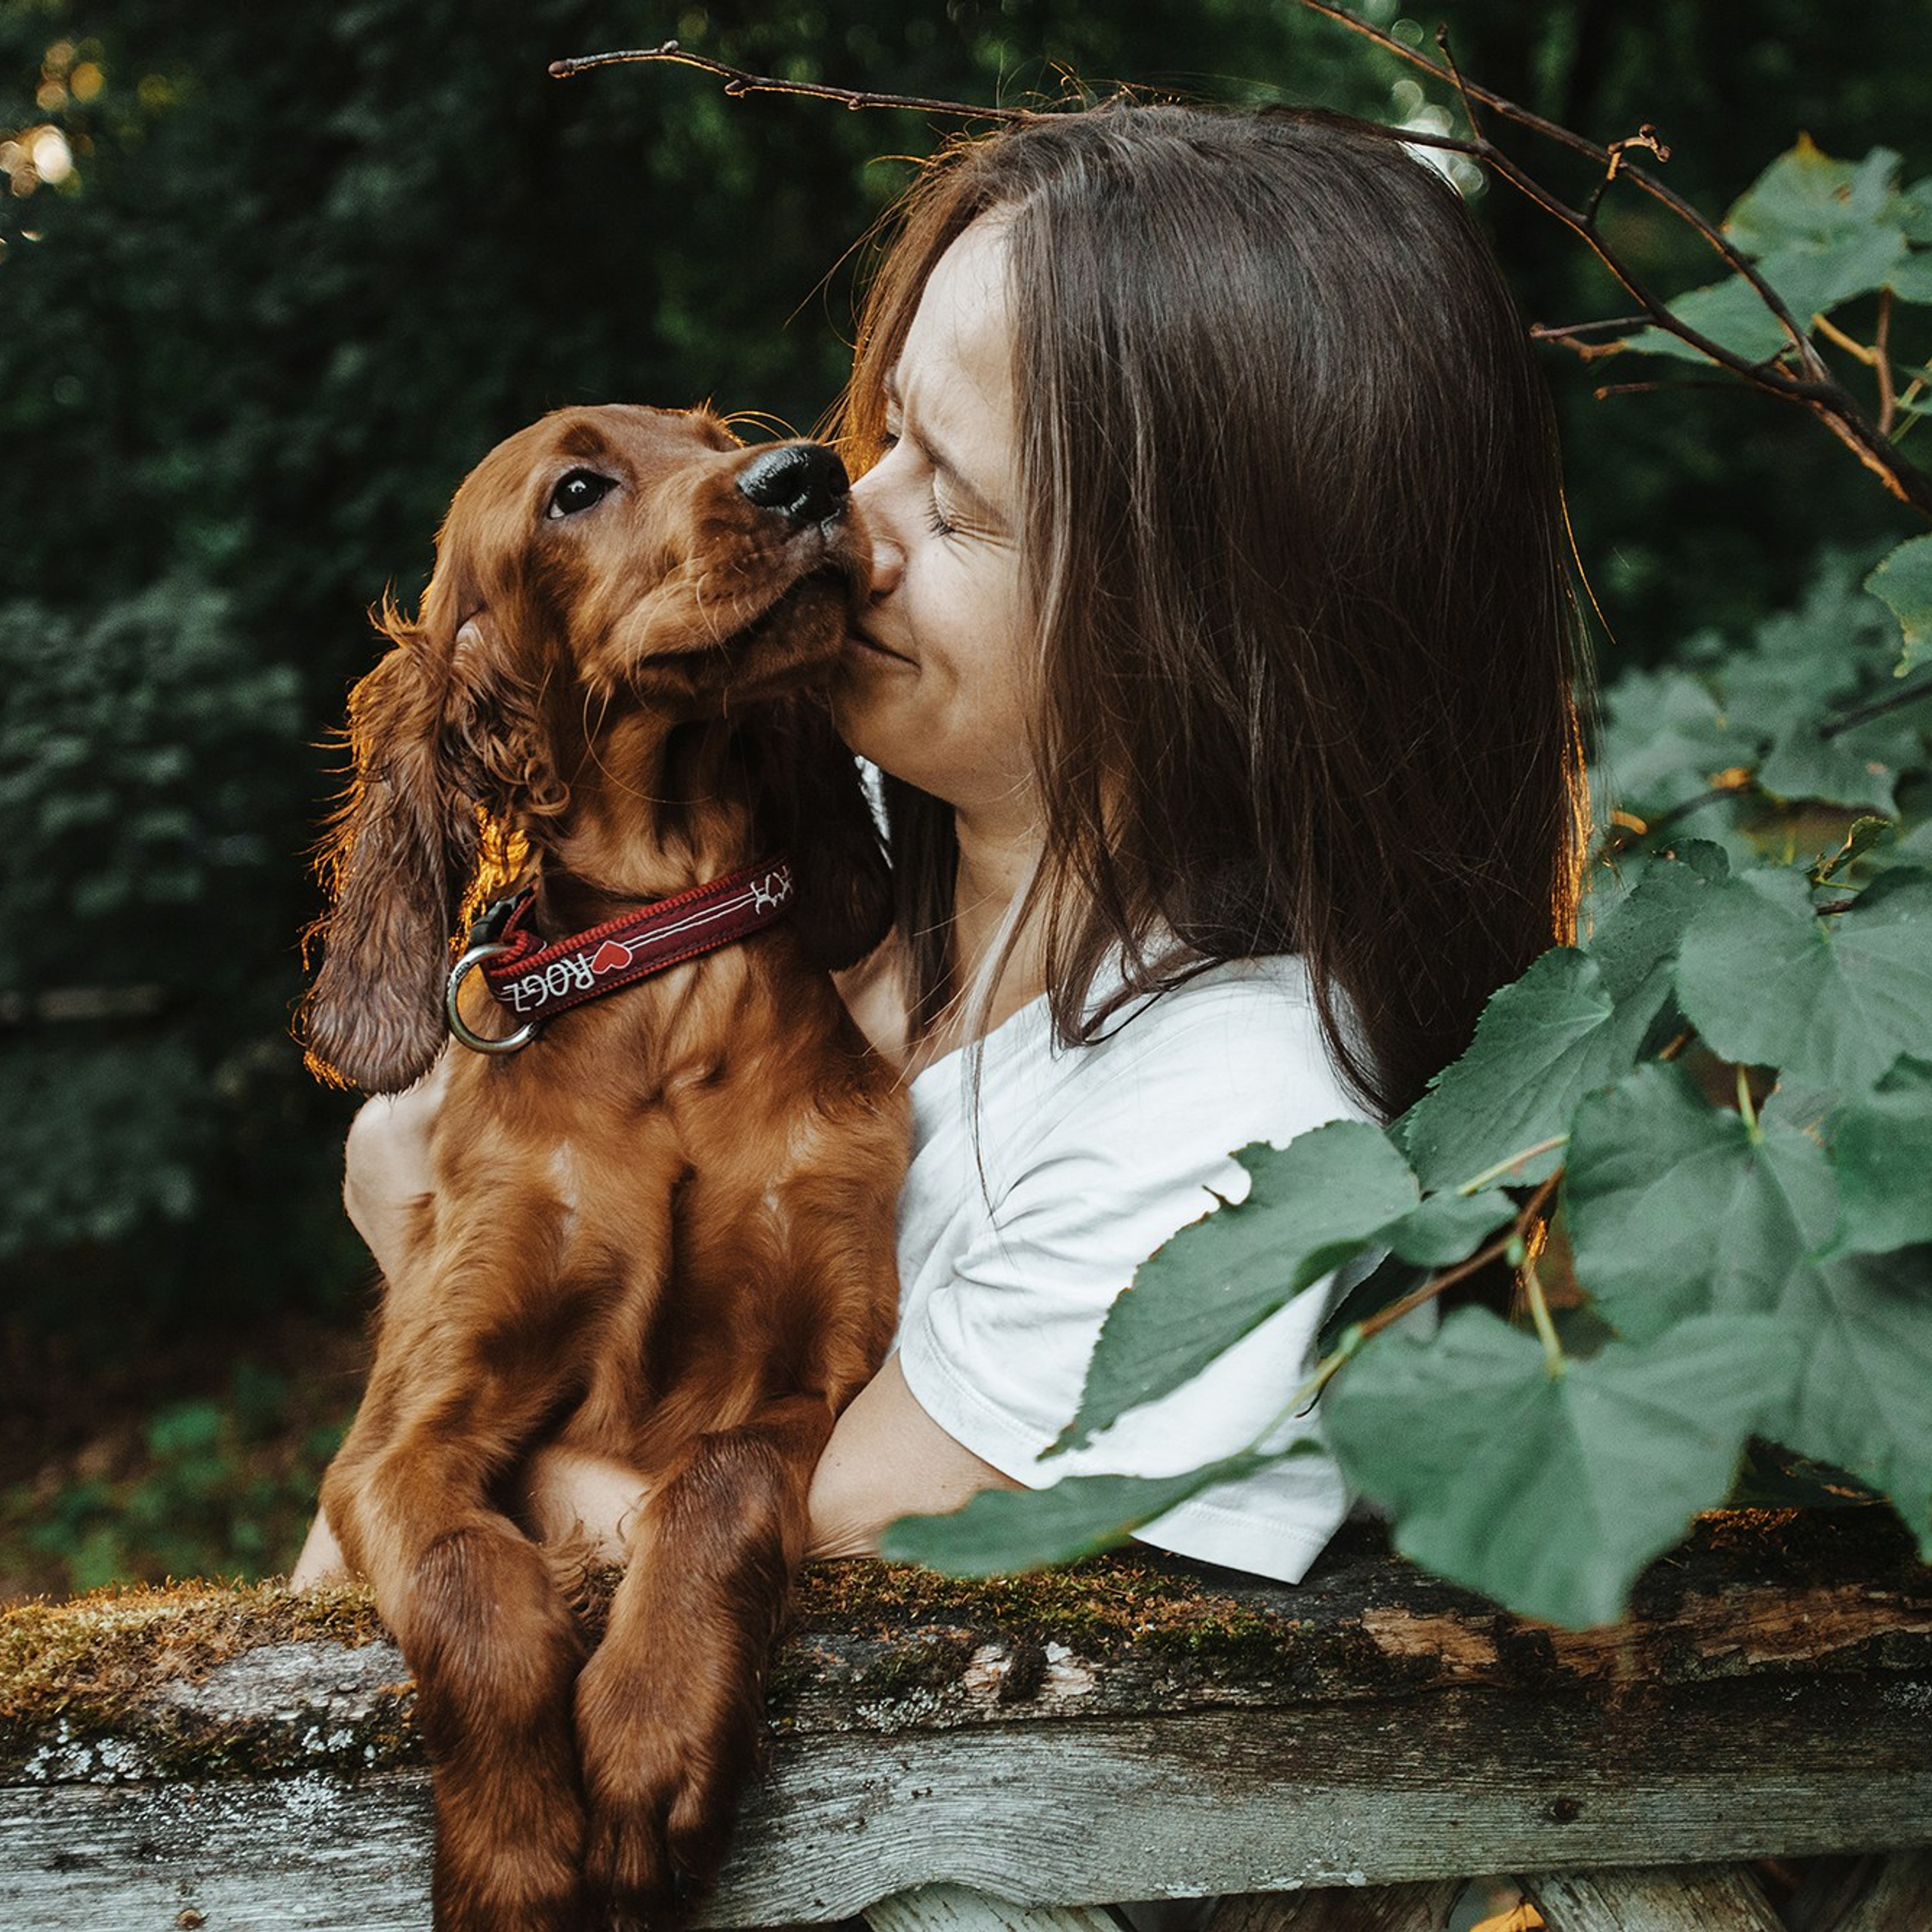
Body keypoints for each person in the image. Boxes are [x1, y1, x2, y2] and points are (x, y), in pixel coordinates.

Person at [291, 100, 1586, 1593]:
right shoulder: (786, 869)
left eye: (953, 502)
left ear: (1202, 632)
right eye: (887, 432)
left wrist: (421, 1245)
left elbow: (780, 1566)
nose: (849, 515)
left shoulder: (1224, 1119)